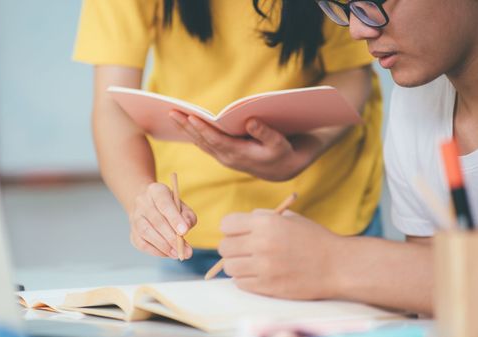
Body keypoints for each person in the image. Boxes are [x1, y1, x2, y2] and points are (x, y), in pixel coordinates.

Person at [73, 0, 383, 275]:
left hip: (325, 216)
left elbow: (353, 73)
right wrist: (141, 199)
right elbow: (112, 106)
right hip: (192, 226)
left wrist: (301, 153)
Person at [218, 0, 478, 314]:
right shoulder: (414, 104)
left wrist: (332, 261)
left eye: (375, 1)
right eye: (348, 8)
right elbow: (430, 299)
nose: (357, 30)